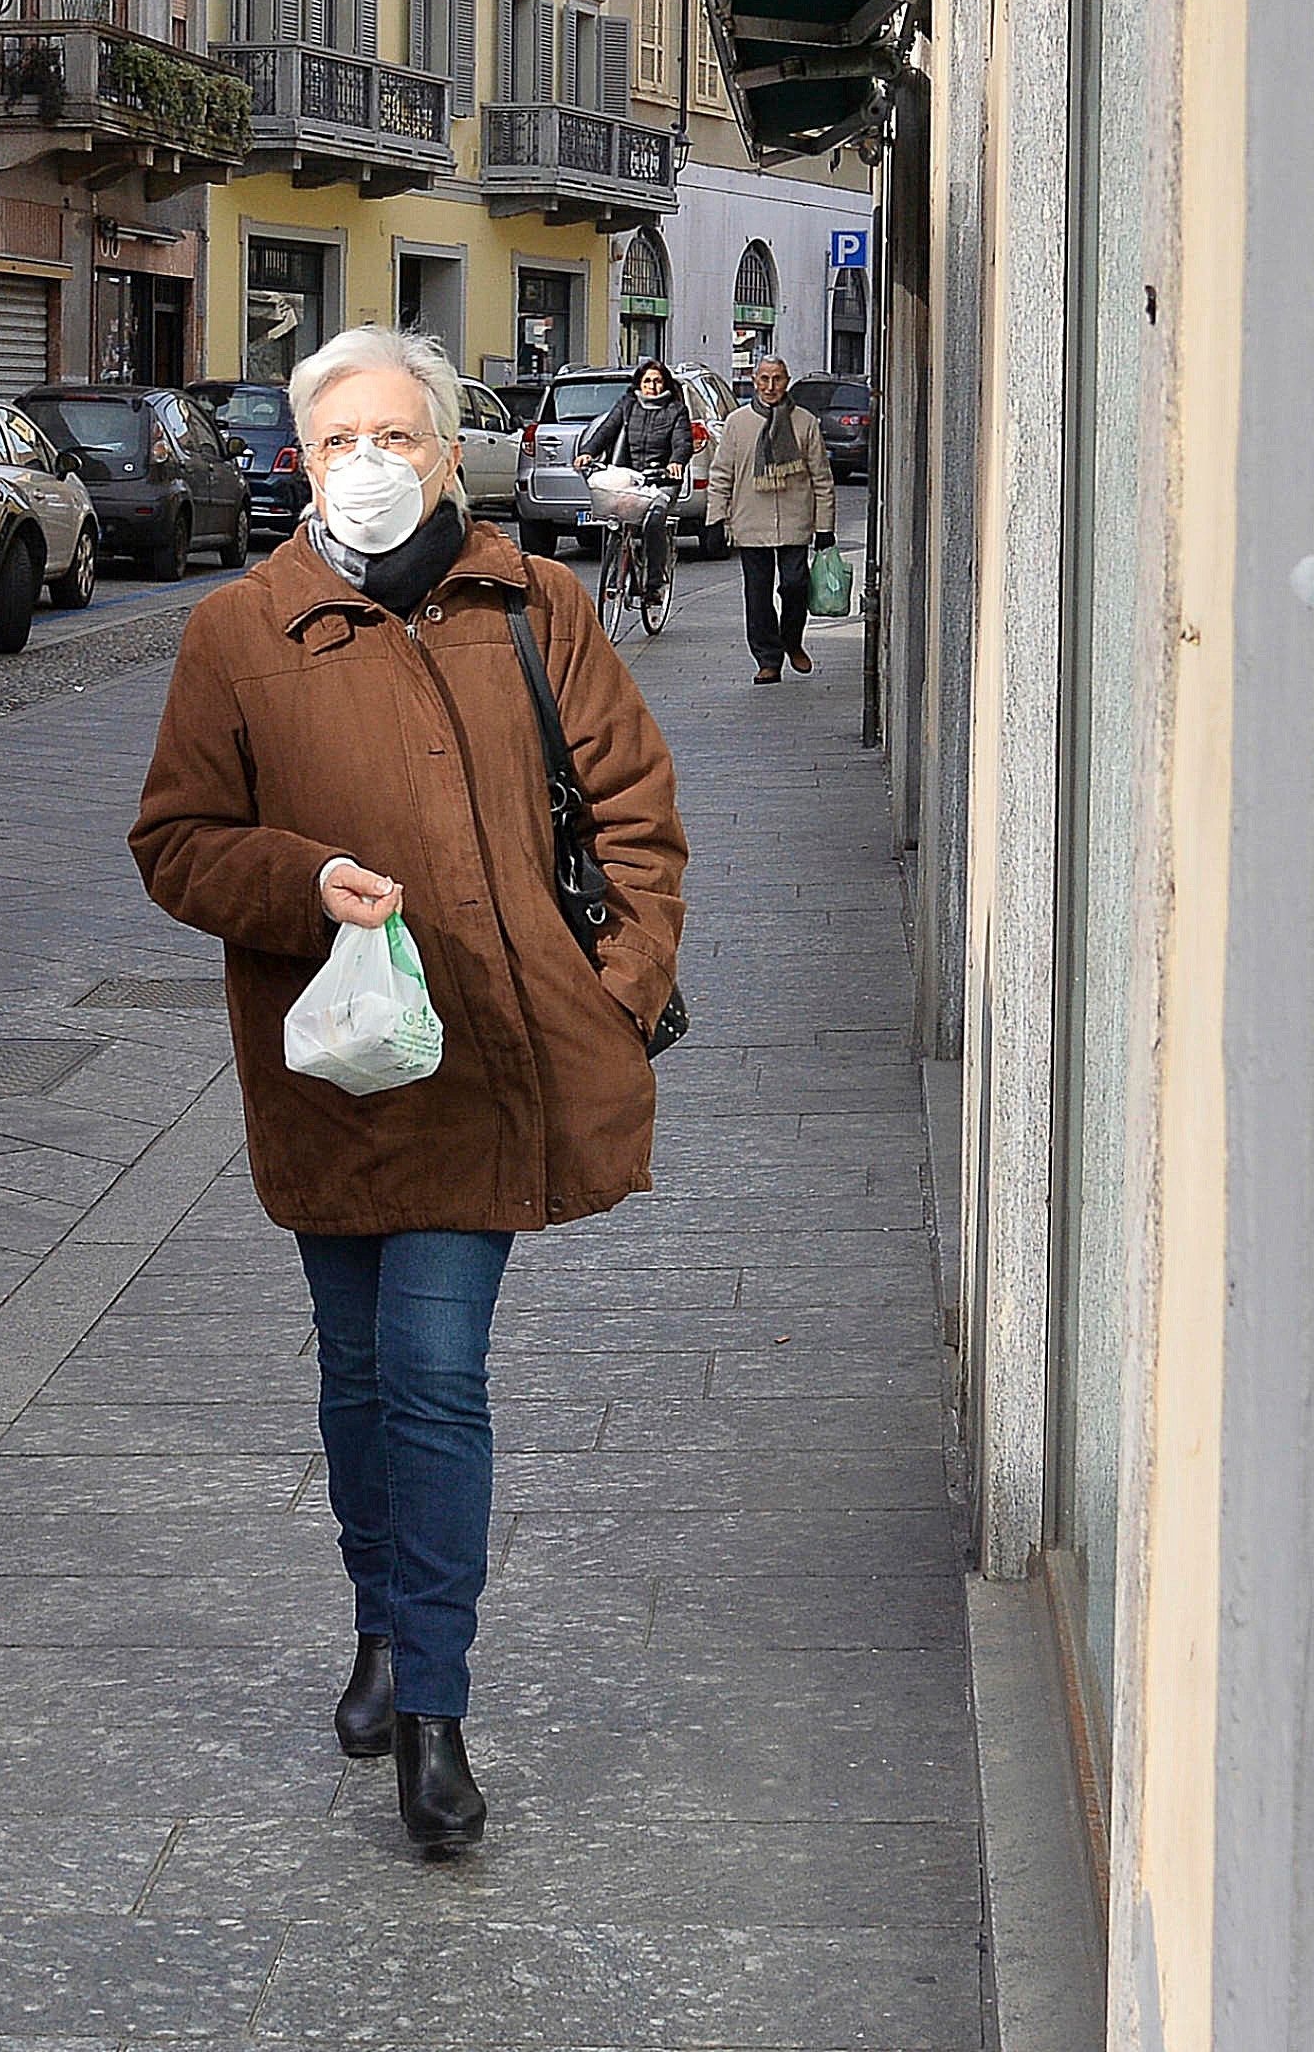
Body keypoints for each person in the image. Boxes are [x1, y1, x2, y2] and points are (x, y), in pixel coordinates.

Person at [130, 325, 686, 1855]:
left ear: (450, 451)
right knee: (355, 1373)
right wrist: (303, 877)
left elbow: (634, 809)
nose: (368, 466)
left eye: (398, 437)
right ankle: (380, 1617)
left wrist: (613, 992)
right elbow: (175, 842)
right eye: (337, 441)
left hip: (491, 1067)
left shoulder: (534, 604)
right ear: (297, 461)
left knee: (435, 1373)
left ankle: (432, 1708)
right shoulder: (240, 632)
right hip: (335, 1065)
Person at [707, 354, 837, 683]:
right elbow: (722, 473)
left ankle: (791, 640)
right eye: (764, 379)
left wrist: (825, 528)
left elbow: (821, 478)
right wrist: (715, 518)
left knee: (795, 585)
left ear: (787, 381)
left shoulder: (804, 422)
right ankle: (768, 659)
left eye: (777, 379)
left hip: (795, 520)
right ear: (754, 381)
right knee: (758, 594)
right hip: (750, 521)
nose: (770, 386)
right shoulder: (737, 422)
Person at [572, 358, 693, 601]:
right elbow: (607, 430)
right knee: (616, 516)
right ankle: (619, 570)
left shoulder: (676, 410)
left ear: (666, 383)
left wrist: (676, 462)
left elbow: (683, 441)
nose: (653, 386)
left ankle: (654, 583)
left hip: (662, 480)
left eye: (658, 381)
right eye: (647, 381)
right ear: (639, 383)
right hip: (630, 477)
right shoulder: (628, 404)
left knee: (654, 521)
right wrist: (587, 452)